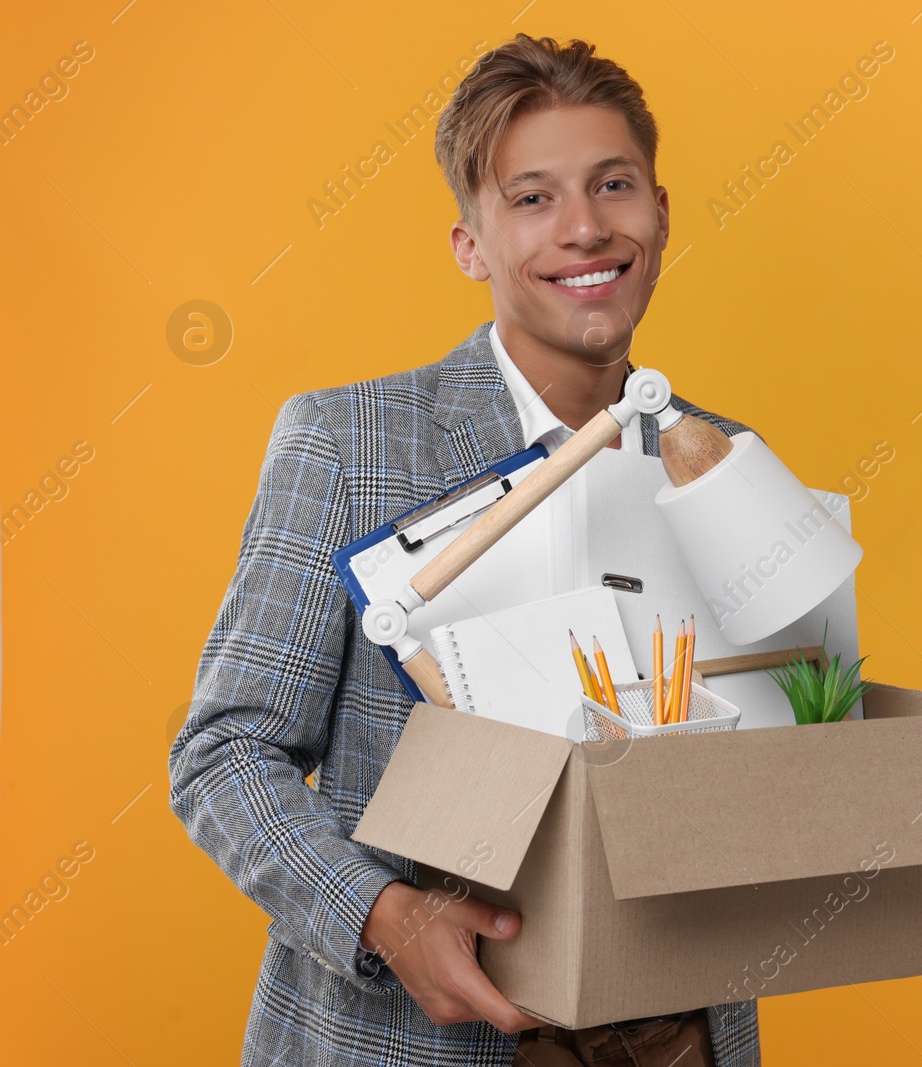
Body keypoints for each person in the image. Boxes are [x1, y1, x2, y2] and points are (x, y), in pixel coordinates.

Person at [168, 34, 760, 1067]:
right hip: (414, 1037)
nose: (585, 228)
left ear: (660, 214)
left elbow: (776, 732)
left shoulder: (725, 462)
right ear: (470, 245)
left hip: (678, 1031)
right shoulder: (348, 443)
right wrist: (382, 913)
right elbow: (224, 752)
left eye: (612, 185)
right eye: (532, 198)